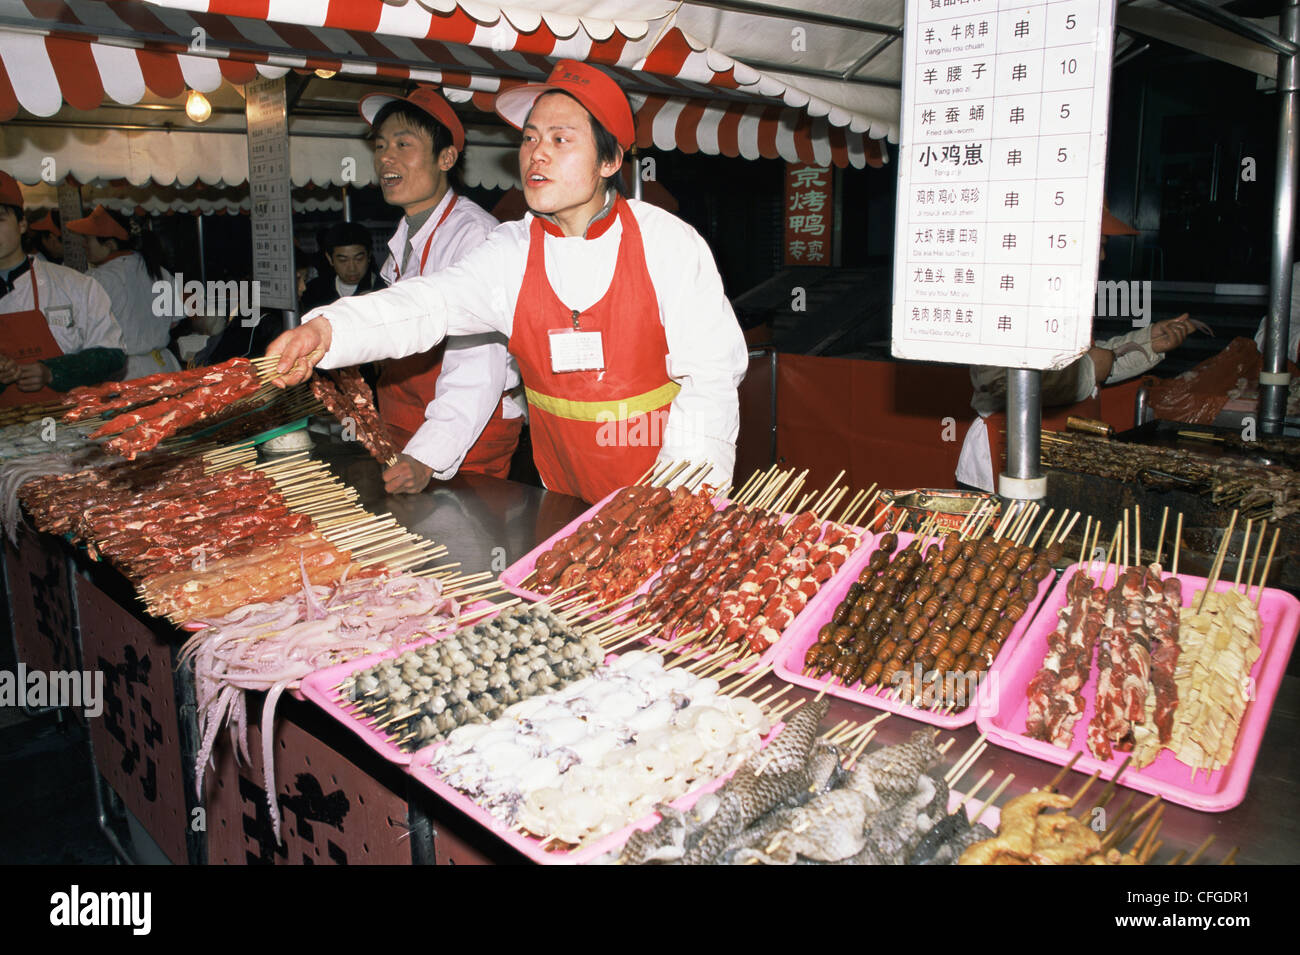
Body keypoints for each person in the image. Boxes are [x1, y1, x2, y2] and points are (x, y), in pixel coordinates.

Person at [267, 61, 748, 504]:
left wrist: (677, 500)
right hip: (562, 492)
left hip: (662, 487)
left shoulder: (666, 243)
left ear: (609, 161)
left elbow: (710, 380)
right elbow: (430, 303)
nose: (537, 154)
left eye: (560, 140)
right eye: (530, 139)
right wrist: (327, 331)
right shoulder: (512, 250)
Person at [354, 86, 524, 495]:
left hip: (467, 433)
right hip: (405, 419)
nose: (385, 158)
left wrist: (428, 456)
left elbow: (479, 366)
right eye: (380, 146)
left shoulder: (476, 236)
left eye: (402, 144)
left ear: (446, 158)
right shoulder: (404, 235)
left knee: (462, 548)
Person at [956, 206, 1198, 491]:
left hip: (1058, 456)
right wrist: (1089, 369)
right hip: (1007, 457)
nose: (1103, 256)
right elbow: (997, 376)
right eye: (1100, 244)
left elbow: (1085, 362)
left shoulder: (1060, 293)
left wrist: (1148, 343)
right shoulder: (1011, 292)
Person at [0, 172, 126, 405]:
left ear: (22, 224)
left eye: (0, 219)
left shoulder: (76, 286)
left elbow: (112, 355)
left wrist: (52, 371)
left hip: (69, 425)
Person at [66, 205, 181, 379]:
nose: (84, 245)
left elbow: (80, 330)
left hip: (126, 372)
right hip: (164, 365)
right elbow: (174, 322)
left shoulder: (96, 279)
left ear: (110, 244)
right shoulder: (159, 271)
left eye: (87, 239)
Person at [300, 221, 387, 312]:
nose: (352, 268)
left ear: (369, 256)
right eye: (343, 260)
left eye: (359, 259)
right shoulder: (313, 292)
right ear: (330, 259)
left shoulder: (382, 290)